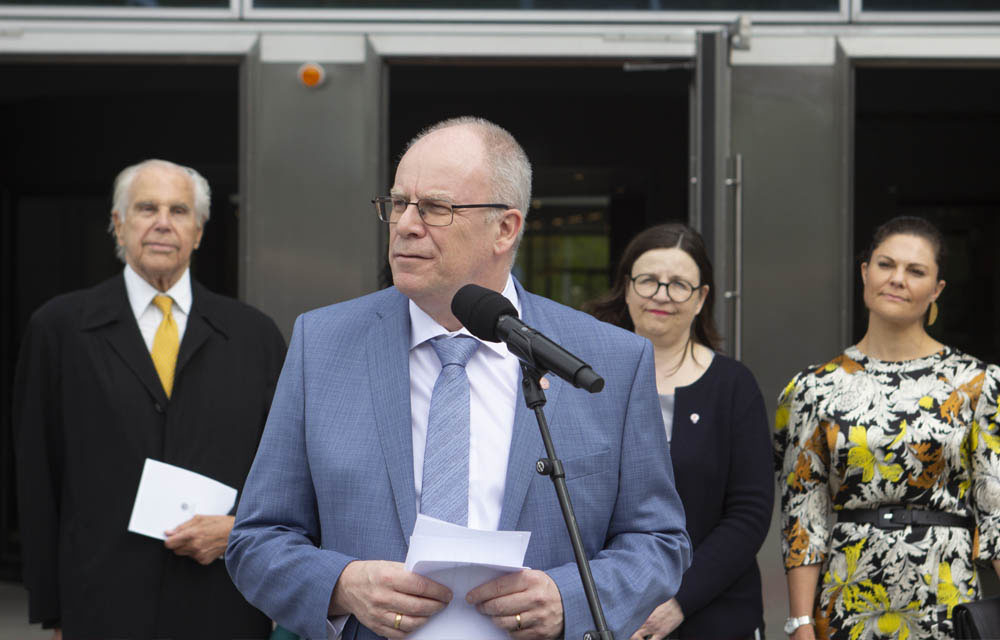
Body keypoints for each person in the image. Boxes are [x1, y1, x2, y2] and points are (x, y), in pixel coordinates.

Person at [226, 116, 692, 640]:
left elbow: (658, 540)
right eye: (398, 204)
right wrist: (343, 584)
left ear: (506, 228)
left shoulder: (608, 359)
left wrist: (570, 599)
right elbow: (257, 539)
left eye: (435, 208)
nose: (405, 224)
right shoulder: (323, 344)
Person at [13, 159, 287, 640]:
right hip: (100, 602)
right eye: (147, 208)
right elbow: (37, 474)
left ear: (199, 232)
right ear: (119, 224)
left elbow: (287, 469)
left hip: (223, 600)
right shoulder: (59, 329)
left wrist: (239, 529)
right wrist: (54, 611)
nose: (163, 222)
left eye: (179, 210)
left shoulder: (253, 336)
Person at [774, 215, 1000, 640]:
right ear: (865, 272)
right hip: (846, 595)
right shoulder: (814, 387)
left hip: (945, 594)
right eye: (885, 265)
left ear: (936, 291)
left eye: (915, 271)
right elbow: (804, 513)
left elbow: (997, 510)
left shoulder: (977, 384)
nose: (897, 279)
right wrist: (800, 622)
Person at [586, 223, 773, 639]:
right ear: (627, 287)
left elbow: (749, 514)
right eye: (648, 280)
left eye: (678, 284)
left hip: (714, 612)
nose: (661, 295)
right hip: (605, 614)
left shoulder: (733, 386)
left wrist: (677, 603)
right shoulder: (584, 379)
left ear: (701, 296)